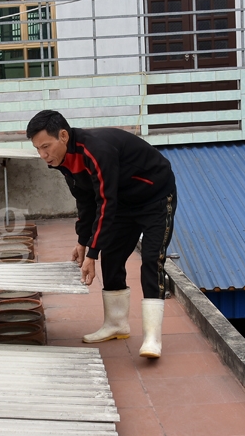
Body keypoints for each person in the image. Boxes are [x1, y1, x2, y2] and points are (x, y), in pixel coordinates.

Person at [26, 110, 177, 358]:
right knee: (113, 257)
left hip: (156, 197)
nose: (43, 155)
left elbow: (106, 202)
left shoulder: (97, 150)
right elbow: (86, 201)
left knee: (151, 259)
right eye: (38, 149)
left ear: (63, 135)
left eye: (46, 146)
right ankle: (116, 324)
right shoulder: (63, 160)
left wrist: (92, 253)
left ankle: (152, 338)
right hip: (124, 202)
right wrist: (83, 242)